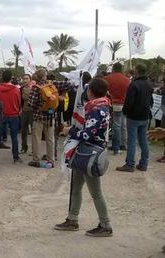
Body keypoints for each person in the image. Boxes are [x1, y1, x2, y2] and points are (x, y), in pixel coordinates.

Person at [55, 77, 113, 237]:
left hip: (90, 153)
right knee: (76, 187)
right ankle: (72, 219)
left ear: (91, 91)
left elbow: (88, 134)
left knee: (95, 192)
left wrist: (70, 131)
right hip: (85, 152)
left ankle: (106, 224)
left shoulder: (96, 109)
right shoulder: (102, 105)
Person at [116, 64, 154, 172]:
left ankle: (130, 164)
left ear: (137, 71)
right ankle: (143, 164)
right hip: (145, 116)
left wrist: (125, 111)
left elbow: (129, 102)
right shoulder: (149, 84)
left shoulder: (134, 84)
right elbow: (151, 101)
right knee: (143, 140)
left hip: (133, 117)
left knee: (131, 140)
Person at [28, 69, 56, 168]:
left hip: (39, 117)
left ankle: (36, 160)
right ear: (45, 76)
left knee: (36, 139)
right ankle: (51, 160)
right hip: (50, 116)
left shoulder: (36, 88)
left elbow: (31, 103)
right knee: (50, 139)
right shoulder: (51, 86)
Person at [0, 69, 22, 163]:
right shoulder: (16, 89)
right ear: (11, 78)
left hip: (1, 114)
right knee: (14, 137)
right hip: (14, 115)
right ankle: (16, 157)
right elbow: (19, 102)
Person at [104, 62, 129, 154]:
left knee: (116, 125)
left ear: (113, 69)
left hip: (112, 104)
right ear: (121, 69)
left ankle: (116, 147)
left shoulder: (107, 79)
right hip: (124, 104)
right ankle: (123, 144)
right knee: (123, 125)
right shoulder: (127, 80)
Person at [20, 74, 33, 153]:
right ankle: (24, 147)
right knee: (23, 131)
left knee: (34, 132)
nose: (25, 80)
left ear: (30, 80)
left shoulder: (34, 89)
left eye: (27, 78)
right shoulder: (20, 89)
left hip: (32, 112)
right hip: (24, 111)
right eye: (24, 78)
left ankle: (33, 150)